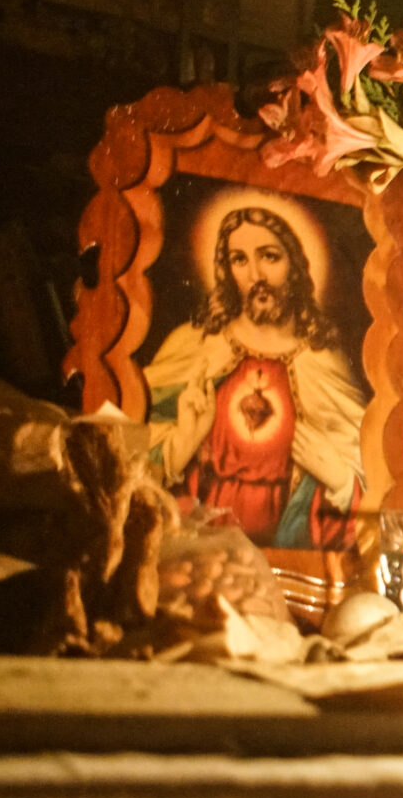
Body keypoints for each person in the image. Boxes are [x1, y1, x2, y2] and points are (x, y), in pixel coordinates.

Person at [146, 204, 364, 548]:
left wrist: (339, 479)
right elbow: (131, 455)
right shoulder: (193, 345)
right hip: (195, 548)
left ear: (294, 265)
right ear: (226, 268)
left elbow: (369, 478)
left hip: (288, 551)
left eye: (270, 257)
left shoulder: (323, 361)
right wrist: (184, 440)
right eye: (240, 260)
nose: (256, 275)